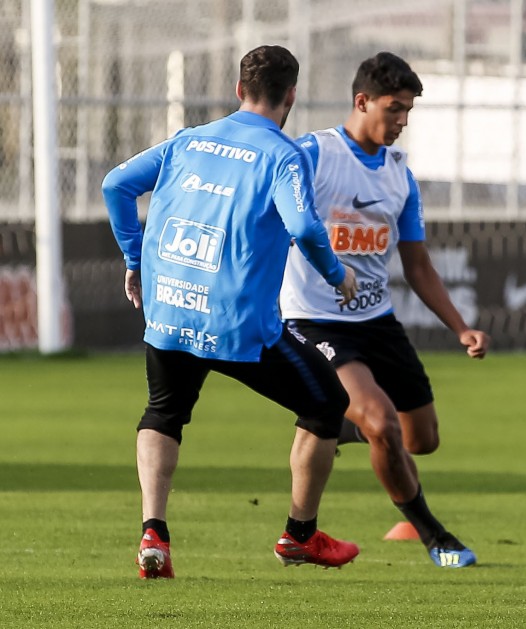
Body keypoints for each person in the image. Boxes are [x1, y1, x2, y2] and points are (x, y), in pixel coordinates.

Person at [102, 45, 361, 579]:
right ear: (292, 96)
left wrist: (135, 259)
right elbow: (307, 229)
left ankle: (155, 532)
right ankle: (300, 536)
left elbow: (115, 184)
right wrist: (338, 275)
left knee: (164, 412)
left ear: (239, 90)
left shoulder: (187, 141)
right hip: (238, 323)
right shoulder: (282, 154)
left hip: (170, 306)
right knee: (327, 404)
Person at [279, 51, 490, 569]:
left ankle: (331, 423)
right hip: (314, 320)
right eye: (394, 109)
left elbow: (417, 267)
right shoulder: (313, 155)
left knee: (422, 440)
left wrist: (461, 327)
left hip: (377, 323)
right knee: (384, 426)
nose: (401, 122)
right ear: (362, 101)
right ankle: (435, 536)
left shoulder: (400, 176)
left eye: (408, 113)